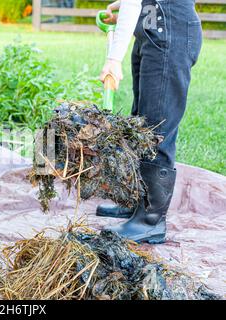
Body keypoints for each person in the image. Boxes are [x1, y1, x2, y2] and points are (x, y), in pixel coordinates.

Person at [97, 0, 203, 244]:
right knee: (141, 120)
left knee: (157, 127)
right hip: (152, 26)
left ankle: (150, 221)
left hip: (171, 30)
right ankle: (139, 202)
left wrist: (114, 59)